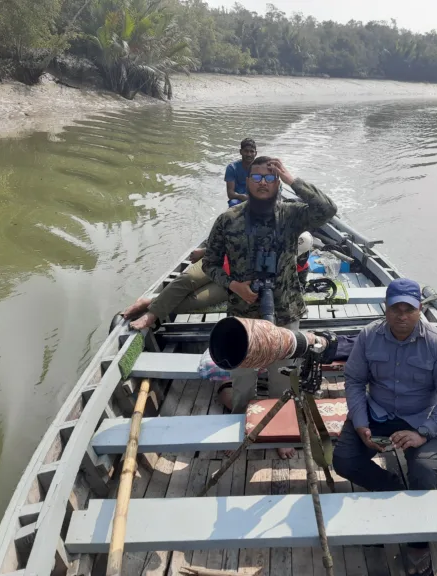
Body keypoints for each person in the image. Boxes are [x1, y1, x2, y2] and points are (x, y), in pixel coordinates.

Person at [202, 156, 337, 458]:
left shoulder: (291, 215)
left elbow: (327, 209)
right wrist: (233, 284)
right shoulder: (228, 220)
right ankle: (241, 427)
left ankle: (280, 431)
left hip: (286, 310)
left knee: (283, 376)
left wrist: (291, 179)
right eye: (257, 177)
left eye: (270, 177)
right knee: (243, 380)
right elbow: (209, 263)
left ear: (277, 182)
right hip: (243, 314)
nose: (263, 183)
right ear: (246, 181)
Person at [332, 278, 437, 576]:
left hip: (421, 418)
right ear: (385, 309)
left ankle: (417, 545)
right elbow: (354, 380)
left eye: (409, 309)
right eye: (396, 309)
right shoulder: (369, 336)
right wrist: (362, 424)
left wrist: (423, 433)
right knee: (343, 460)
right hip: (377, 412)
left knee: (424, 475)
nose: (402, 315)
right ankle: (390, 486)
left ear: (420, 309)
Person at [122, 231, 315, 332]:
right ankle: (152, 315)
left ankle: (149, 302)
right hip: (219, 263)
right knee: (187, 279)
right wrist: (204, 252)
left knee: (194, 301)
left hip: (234, 284)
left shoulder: (301, 268)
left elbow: (295, 292)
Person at [225, 138, 257, 207]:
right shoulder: (232, 168)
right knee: (233, 203)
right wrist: (242, 197)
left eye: (252, 151)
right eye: (246, 151)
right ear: (240, 152)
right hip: (239, 198)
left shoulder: (260, 168)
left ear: (256, 153)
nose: (249, 154)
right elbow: (230, 193)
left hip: (256, 197)